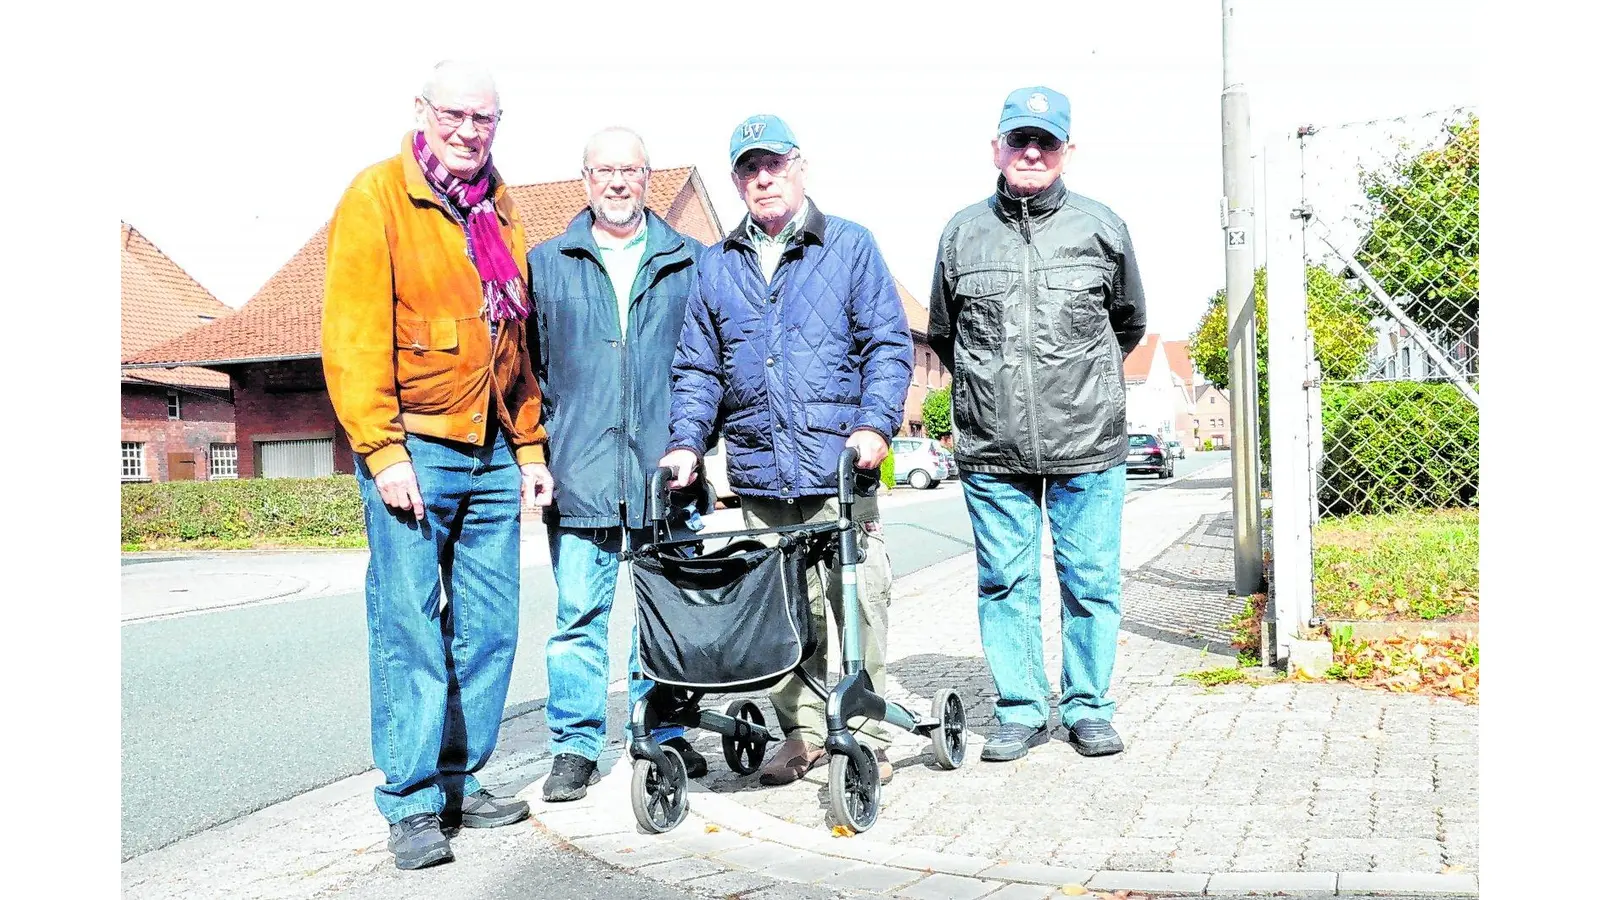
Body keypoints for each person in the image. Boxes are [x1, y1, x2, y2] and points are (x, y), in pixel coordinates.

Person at [321, 60, 553, 870]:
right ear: (422, 112)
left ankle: (460, 778)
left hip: (490, 448)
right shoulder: (378, 195)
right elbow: (352, 339)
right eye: (453, 114)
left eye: (483, 118)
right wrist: (381, 450)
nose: (467, 130)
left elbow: (515, 340)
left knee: (489, 627)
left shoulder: (500, 206)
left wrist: (529, 444)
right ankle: (413, 802)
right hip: (413, 445)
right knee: (410, 628)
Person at [659, 114, 912, 787]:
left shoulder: (851, 246)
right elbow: (698, 371)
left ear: (800, 167)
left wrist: (875, 426)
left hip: (839, 470)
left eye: (773, 164)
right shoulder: (716, 265)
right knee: (780, 613)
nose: (762, 178)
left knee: (858, 602)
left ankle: (862, 734)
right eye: (749, 168)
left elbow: (887, 346)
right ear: (737, 181)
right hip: (761, 473)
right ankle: (800, 733)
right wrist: (686, 443)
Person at [927, 86, 1147, 763]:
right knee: (1005, 582)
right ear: (995, 146)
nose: (1031, 151)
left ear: (1066, 150)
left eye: (1045, 141)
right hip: (993, 451)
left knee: (1091, 582)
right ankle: (1021, 709)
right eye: (1018, 139)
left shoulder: (1102, 228)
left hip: (1089, 445)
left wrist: (1080, 391)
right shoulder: (963, 232)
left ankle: (1087, 708)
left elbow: (1128, 324)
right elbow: (944, 334)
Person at [528, 127, 712, 802]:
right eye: (603, 170)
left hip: (668, 479)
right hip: (579, 476)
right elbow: (530, 372)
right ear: (583, 180)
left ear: (648, 178)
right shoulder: (545, 264)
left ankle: (662, 734)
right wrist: (539, 452)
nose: (616, 182)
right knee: (578, 617)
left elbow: (710, 367)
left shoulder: (691, 261)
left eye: (629, 170)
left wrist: (696, 443)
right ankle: (576, 747)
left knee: (664, 614)